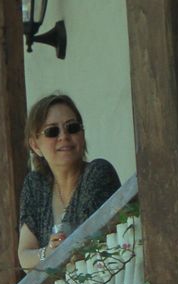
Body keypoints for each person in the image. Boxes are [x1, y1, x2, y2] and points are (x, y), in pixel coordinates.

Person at [16, 92, 120, 270]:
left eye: (72, 127)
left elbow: (88, 246)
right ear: (35, 145)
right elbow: (25, 257)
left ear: (82, 134)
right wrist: (49, 252)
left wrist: (50, 255)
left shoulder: (98, 173)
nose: (64, 136)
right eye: (52, 131)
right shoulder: (35, 185)